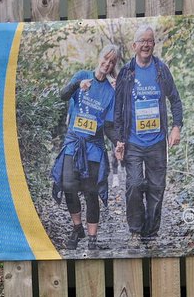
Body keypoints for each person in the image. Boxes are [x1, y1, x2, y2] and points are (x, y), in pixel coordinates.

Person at [111, 24, 183, 241]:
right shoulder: (126, 72)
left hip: (157, 142)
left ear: (154, 44)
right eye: (142, 41)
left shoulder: (161, 70)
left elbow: (175, 100)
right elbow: (118, 109)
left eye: (149, 41)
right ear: (134, 46)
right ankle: (135, 230)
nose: (146, 45)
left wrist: (176, 127)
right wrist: (119, 140)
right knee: (133, 185)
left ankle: (150, 234)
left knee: (156, 188)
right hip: (133, 142)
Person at [50, 44, 120, 251]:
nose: (107, 64)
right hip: (73, 143)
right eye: (105, 59)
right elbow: (62, 95)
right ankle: (77, 227)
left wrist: (118, 143)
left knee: (91, 192)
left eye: (111, 62)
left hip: (93, 147)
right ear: (99, 58)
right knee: (69, 186)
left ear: (113, 66)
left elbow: (108, 126)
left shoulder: (110, 91)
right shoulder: (82, 76)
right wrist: (77, 85)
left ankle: (92, 239)